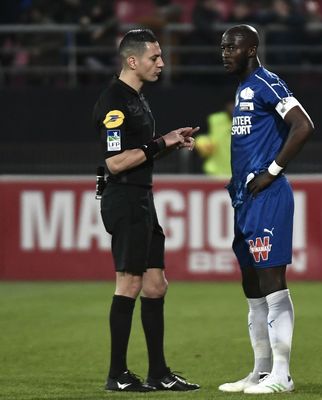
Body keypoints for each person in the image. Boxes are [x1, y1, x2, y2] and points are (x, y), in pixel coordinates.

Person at [93, 28, 200, 392]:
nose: (161, 63)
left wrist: (170, 143)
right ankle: (117, 375)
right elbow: (116, 162)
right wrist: (161, 143)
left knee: (156, 285)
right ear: (132, 60)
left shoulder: (137, 98)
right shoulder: (114, 102)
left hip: (142, 199)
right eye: (154, 57)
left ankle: (159, 373)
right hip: (125, 199)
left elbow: (142, 151)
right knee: (130, 282)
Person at [217, 24, 314, 394]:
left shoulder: (267, 82)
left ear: (251, 49)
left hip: (269, 197)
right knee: (253, 289)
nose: (225, 52)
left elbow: (303, 125)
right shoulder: (243, 89)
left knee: (274, 286)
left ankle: (282, 374)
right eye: (223, 47)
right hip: (245, 200)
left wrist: (272, 171)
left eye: (232, 47)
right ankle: (259, 372)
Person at [194, 100, 234, 177]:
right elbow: (199, 136)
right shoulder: (214, 119)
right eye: (231, 104)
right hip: (214, 174)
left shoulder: (254, 120)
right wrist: (201, 141)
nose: (234, 107)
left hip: (243, 175)